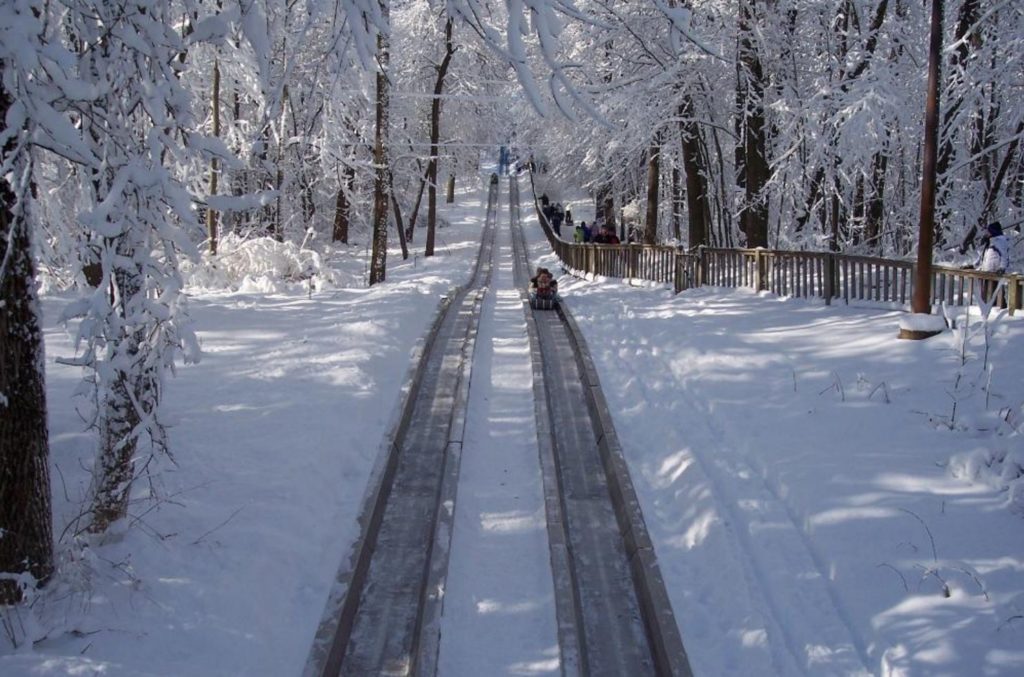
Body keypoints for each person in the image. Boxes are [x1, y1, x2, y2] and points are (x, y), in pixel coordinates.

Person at [968, 222, 1011, 305]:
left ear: (993, 231)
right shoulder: (990, 242)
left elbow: (1004, 256)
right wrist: (973, 265)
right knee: (987, 295)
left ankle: (999, 311)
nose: (986, 233)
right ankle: (990, 310)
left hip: (995, 273)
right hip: (988, 272)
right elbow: (983, 257)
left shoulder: (1000, 242)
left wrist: (1002, 268)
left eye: (988, 231)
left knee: (996, 296)